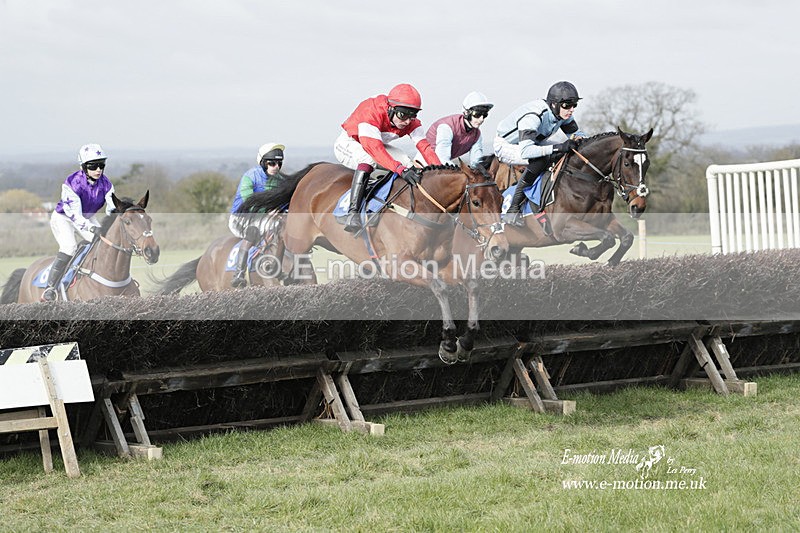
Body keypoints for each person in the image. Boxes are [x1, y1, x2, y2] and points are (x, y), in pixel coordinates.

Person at [334, 83, 442, 233]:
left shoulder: (411, 122)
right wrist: (400, 170)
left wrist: (441, 171)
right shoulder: (371, 112)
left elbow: (425, 147)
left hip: (376, 144)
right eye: (403, 115)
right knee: (369, 161)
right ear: (391, 108)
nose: (406, 122)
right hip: (350, 143)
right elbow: (374, 150)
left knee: (405, 160)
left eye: (412, 116)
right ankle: (353, 213)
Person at [494, 81, 587, 230]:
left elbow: (578, 134)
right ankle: (514, 208)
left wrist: (581, 141)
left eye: (574, 105)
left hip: (532, 143)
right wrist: (558, 147)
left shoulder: (562, 113)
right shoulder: (533, 116)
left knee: (565, 153)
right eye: (567, 105)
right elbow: (527, 151)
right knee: (543, 157)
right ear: (554, 104)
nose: (571, 110)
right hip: (508, 146)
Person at [43, 143, 115, 301]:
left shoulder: (106, 183)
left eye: (101, 165)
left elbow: (112, 207)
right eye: (93, 166)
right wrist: (92, 229)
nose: (98, 170)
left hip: (87, 218)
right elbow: (75, 217)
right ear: (83, 166)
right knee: (69, 247)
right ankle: (50, 288)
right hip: (64, 218)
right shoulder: (72, 183)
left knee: (104, 243)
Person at [228, 142, 286, 288]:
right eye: (271, 163)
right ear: (262, 163)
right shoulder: (250, 177)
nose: (276, 167)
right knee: (253, 231)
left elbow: (286, 202)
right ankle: (239, 274)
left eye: (279, 163)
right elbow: (249, 202)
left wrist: (280, 210)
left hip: (266, 219)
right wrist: (267, 211)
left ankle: (280, 267)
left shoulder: (280, 180)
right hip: (242, 218)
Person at [418, 91, 493, 167]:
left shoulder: (477, 135)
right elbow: (442, 159)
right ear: (466, 112)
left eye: (485, 115)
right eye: (477, 114)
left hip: (442, 167)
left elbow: (476, 163)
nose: (481, 119)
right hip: (423, 164)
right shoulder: (446, 127)